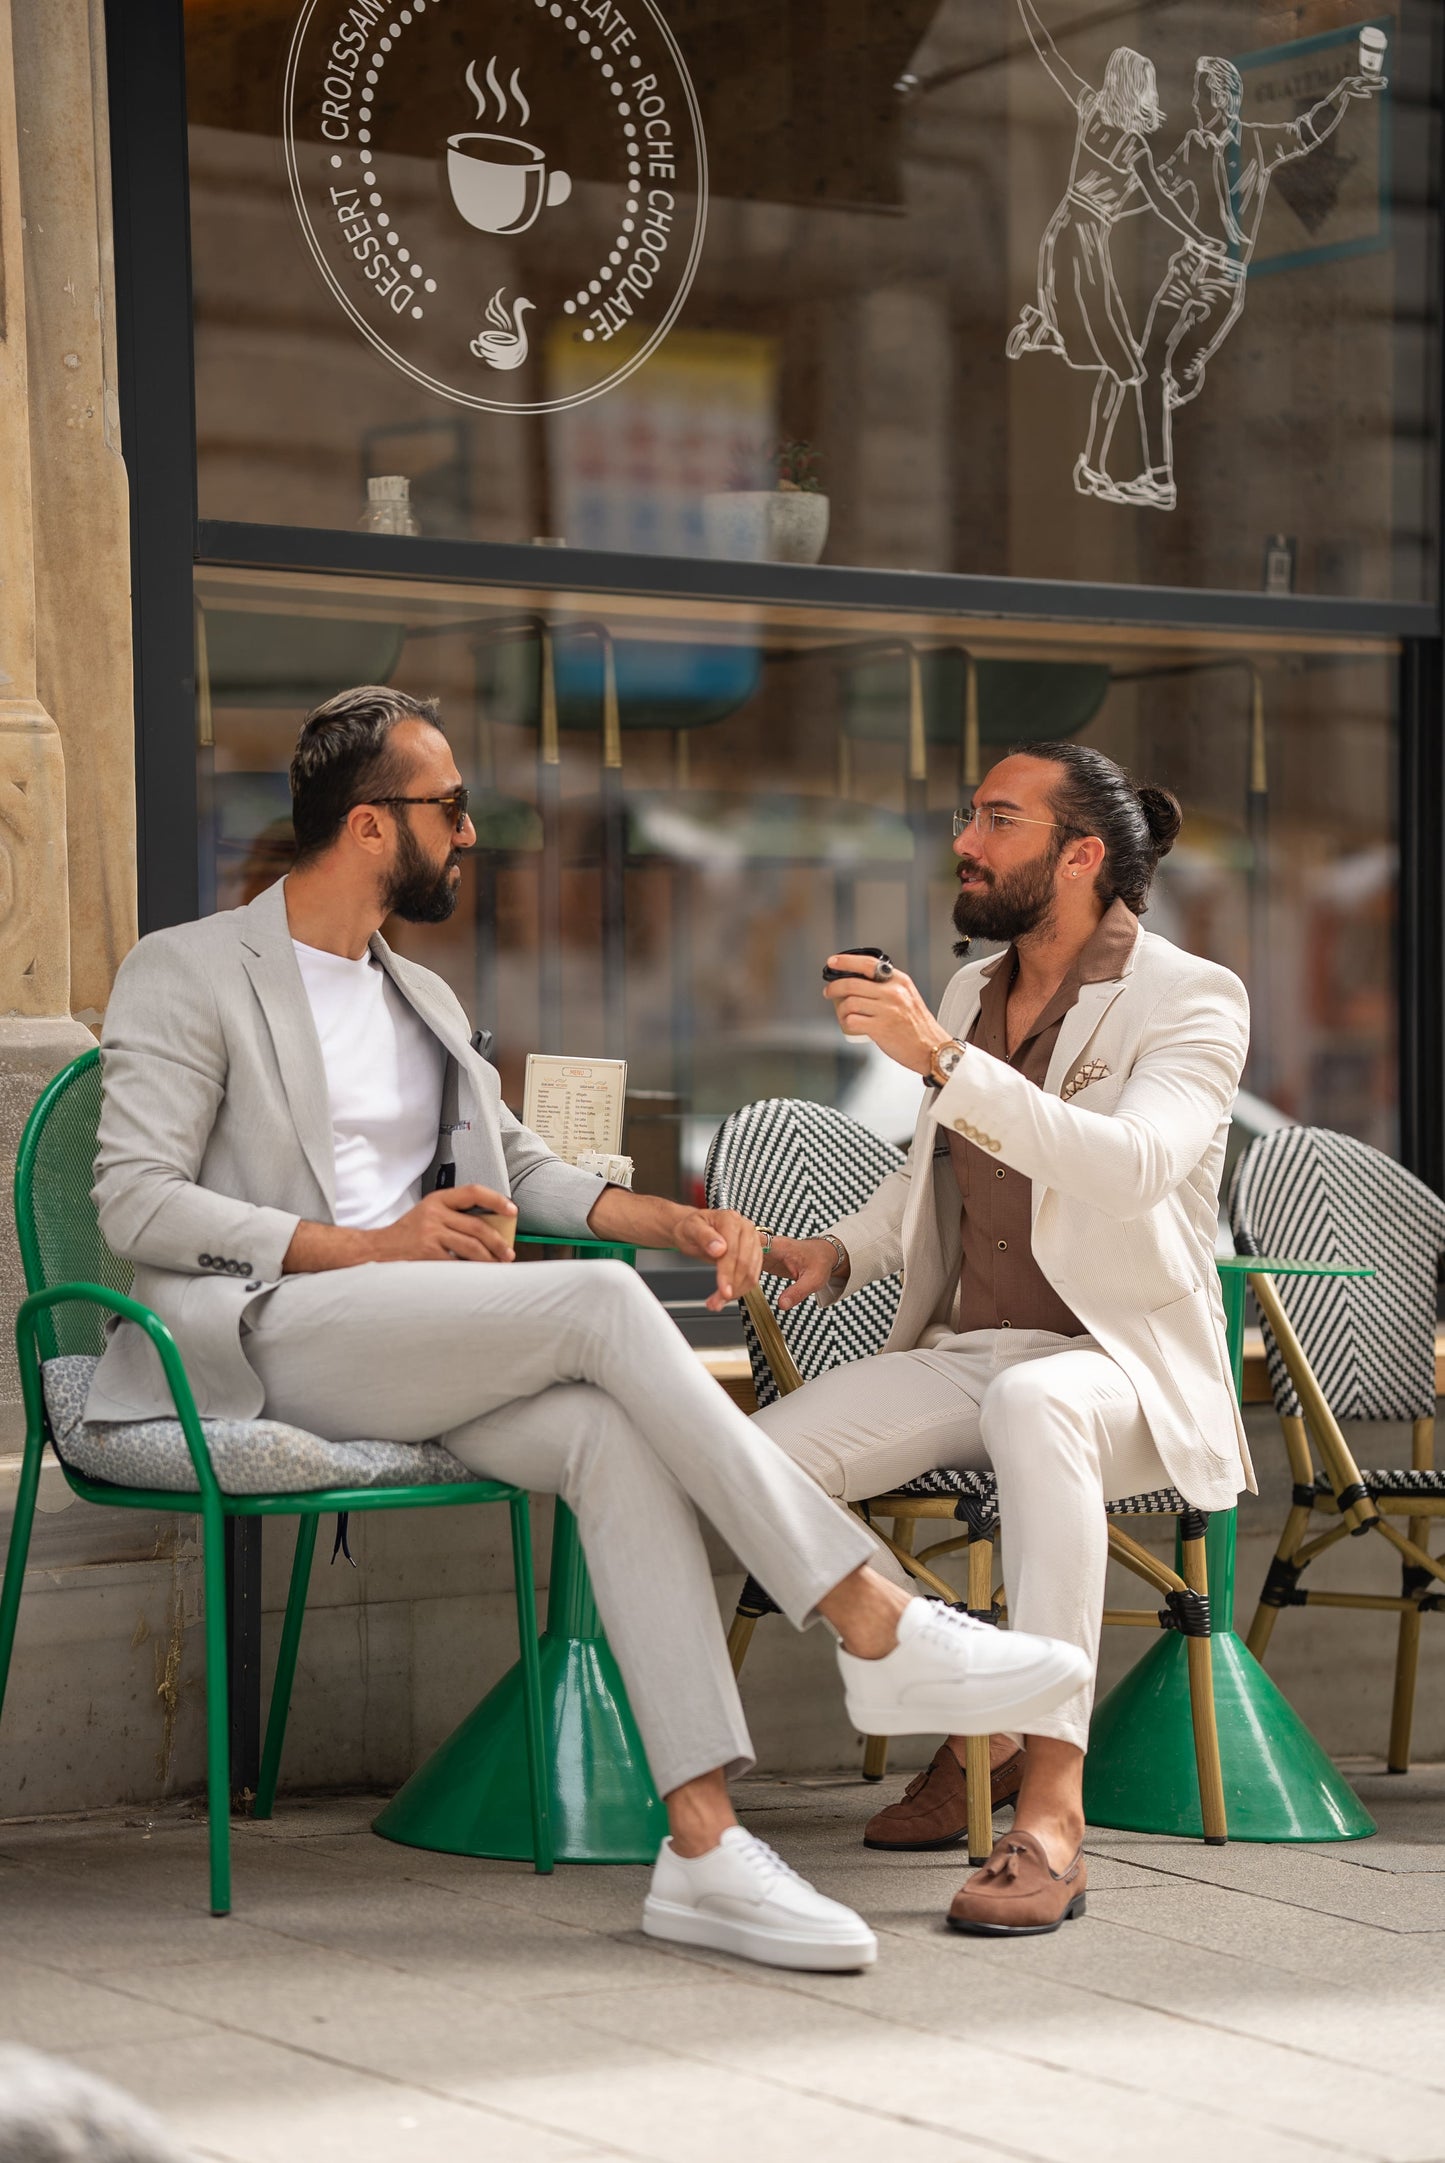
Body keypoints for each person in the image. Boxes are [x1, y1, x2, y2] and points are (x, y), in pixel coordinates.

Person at [88, 685, 1089, 1974]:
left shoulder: (423, 1000)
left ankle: (705, 1852)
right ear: (370, 827)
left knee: (609, 1434)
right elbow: (135, 1201)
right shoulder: (191, 966)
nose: (470, 833)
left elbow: (525, 1176)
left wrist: (677, 1222)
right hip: (258, 1335)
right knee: (598, 1304)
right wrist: (374, 1244)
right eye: (450, 808)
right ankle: (869, 1621)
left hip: (414, 1339)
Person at [753, 742, 1252, 1936]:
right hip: (976, 1347)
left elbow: (1130, 1167)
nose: (964, 843)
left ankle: (1049, 1817)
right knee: (744, 1463)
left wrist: (936, 1055)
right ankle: (964, 1681)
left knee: (1040, 1409)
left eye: (996, 820)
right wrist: (829, 1254)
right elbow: (929, 1164)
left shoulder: (1191, 997)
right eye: (967, 817)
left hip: (1120, 1368)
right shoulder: (975, 989)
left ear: (1078, 856)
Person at [1130, 56, 1386, 508]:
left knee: (1181, 367)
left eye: (1201, 93)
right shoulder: (1192, 144)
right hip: (1187, 266)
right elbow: (1153, 188)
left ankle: (1190, 373)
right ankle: (1158, 477)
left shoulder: (1256, 143)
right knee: (1149, 367)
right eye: (1194, 91)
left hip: (1222, 278)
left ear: (1223, 99)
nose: (1193, 101)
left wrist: (1342, 93)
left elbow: (1307, 132)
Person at [1005, 0, 1228, 506]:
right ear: (1140, 88)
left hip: (1062, 233)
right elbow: (1162, 203)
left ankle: (1046, 328)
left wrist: (1024, 11)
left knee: (1114, 360)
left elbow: (1049, 55)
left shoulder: (1089, 111)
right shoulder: (1134, 149)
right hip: (1084, 244)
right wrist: (1198, 235)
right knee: (1126, 370)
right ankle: (1090, 466)